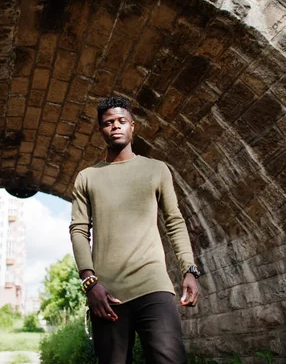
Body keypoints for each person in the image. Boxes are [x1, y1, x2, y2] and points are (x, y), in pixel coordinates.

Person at [69, 97, 200, 364]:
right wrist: (89, 283)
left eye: (121, 121)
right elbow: (79, 230)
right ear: (100, 130)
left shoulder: (156, 169)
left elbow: (174, 221)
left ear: (132, 127)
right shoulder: (87, 176)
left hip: (153, 286)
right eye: (108, 123)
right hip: (107, 295)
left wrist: (190, 269)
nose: (115, 126)